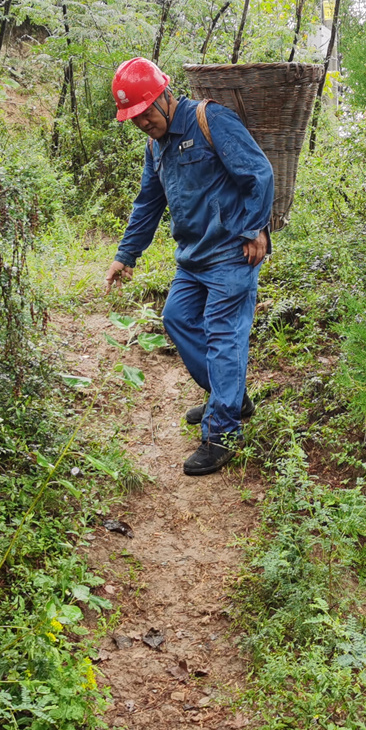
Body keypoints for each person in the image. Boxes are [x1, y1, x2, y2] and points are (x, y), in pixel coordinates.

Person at [103, 57, 273, 476]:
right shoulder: (154, 147)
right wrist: (125, 256)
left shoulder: (209, 119)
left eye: (144, 112)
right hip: (193, 258)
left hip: (231, 253)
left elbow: (259, 173)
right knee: (176, 318)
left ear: (164, 96)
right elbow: (148, 203)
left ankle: (222, 434)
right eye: (134, 118)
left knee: (223, 336)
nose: (141, 123)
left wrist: (255, 228)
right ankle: (228, 396)